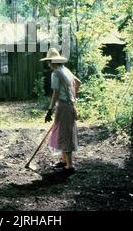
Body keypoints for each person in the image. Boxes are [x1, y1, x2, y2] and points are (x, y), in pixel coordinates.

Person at [40, 48, 81, 176]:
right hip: (68, 105)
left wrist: (50, 110)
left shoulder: (56, 74)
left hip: (63, 106)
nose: (48, 65)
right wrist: (73, 97)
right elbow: (78, 83)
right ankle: (63, 161)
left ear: (53, 62)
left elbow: (55, 93)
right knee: (63, 132)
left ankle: (69, 166)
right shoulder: (66, 70)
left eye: (49, 62)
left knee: (65, 134)